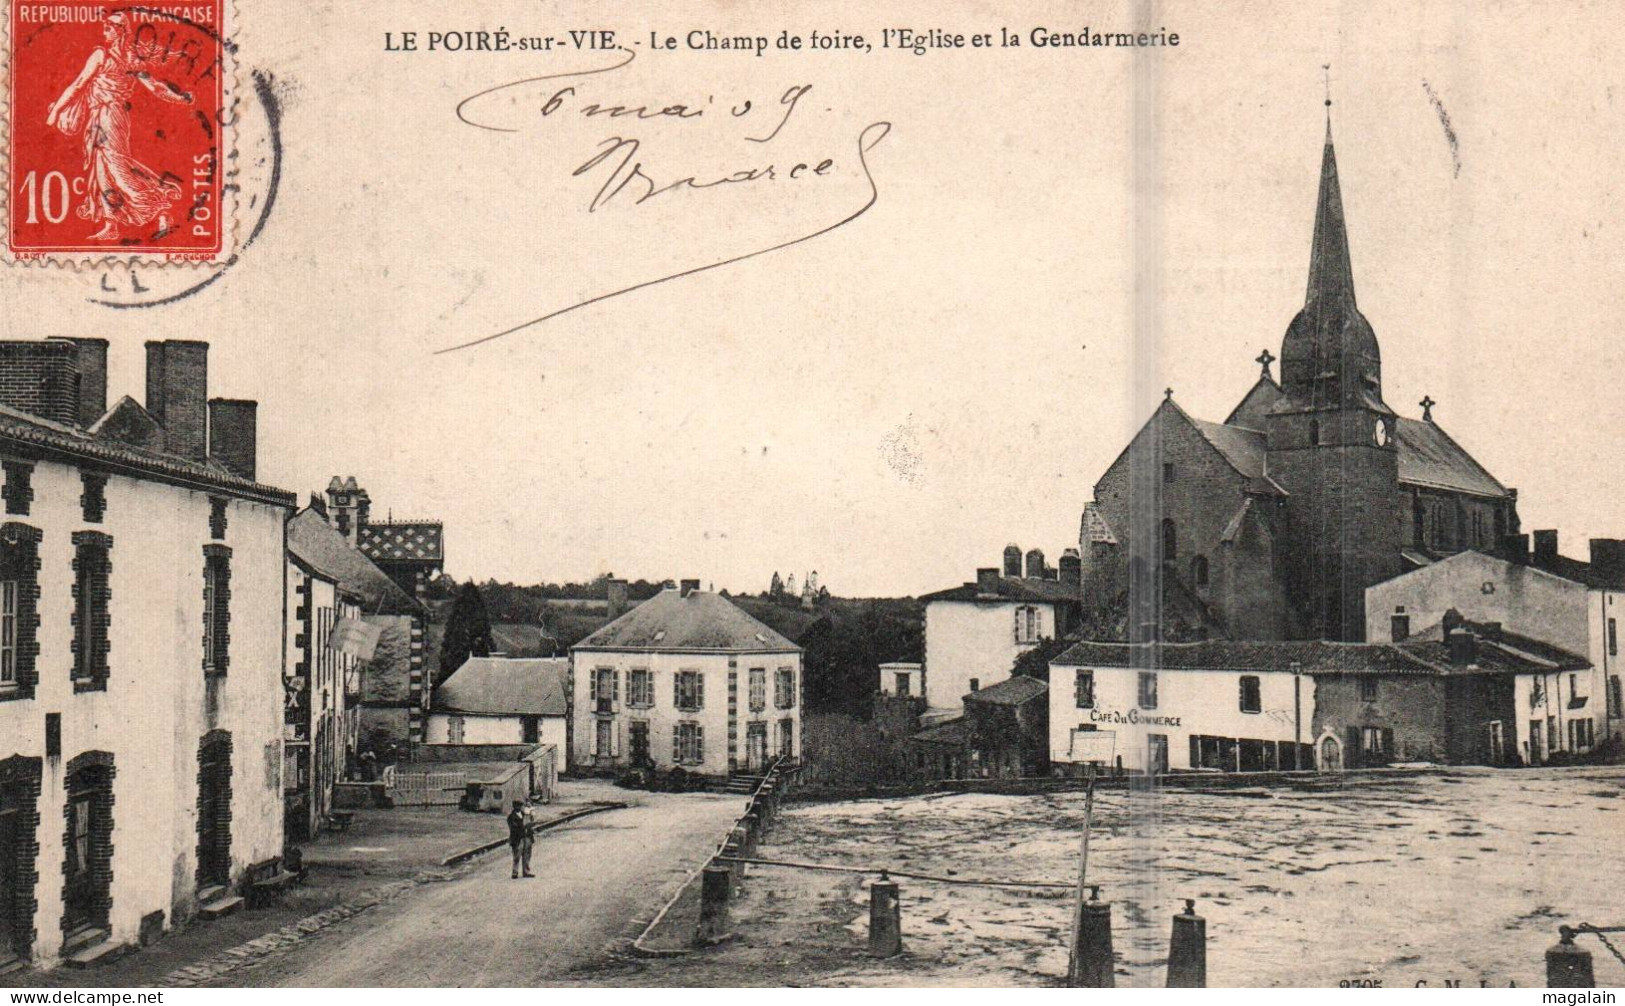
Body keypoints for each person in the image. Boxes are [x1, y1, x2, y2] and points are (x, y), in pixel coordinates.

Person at [44, 11, 191, 241]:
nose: (105, 31)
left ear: (120, 32)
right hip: (102, 116)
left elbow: (79, 85)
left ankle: (161, 208)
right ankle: (110, 224)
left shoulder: (104, 56)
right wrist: (181, 98)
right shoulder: (128, 58)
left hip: (109, 116)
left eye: (109, 28)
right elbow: (156, 88)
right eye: (105, 27)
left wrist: (55, 111)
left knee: (117, 169)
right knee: (101, 169)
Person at [507, 800, 535, 879]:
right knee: (517, 856)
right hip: (518, 838)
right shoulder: (511, 817)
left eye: (520, 806)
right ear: (514, 807)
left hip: (527, 837)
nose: (518, 807)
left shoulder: (524, 814)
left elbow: (531, 820)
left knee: (527, 855)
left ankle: (526, 871)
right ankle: (515, 872)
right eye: (517, 806)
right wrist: (524, 827)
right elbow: (513, 828)